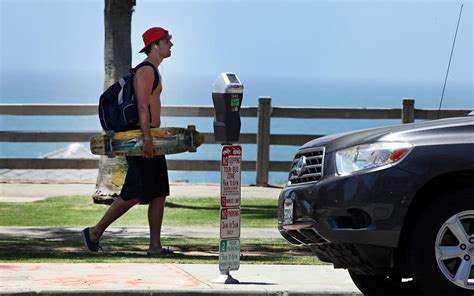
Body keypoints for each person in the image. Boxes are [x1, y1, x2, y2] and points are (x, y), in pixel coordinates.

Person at [82, 27, 174, 255]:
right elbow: (142, 107)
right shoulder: (146, 71)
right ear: (155, 45)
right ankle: (94, 232)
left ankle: (155, 246)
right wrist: (146, 139)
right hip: (140, 139)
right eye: (167, 41)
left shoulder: (153, 71)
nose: (171, 45)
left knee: (159, 191)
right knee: (134, 192)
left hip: (148, 136)